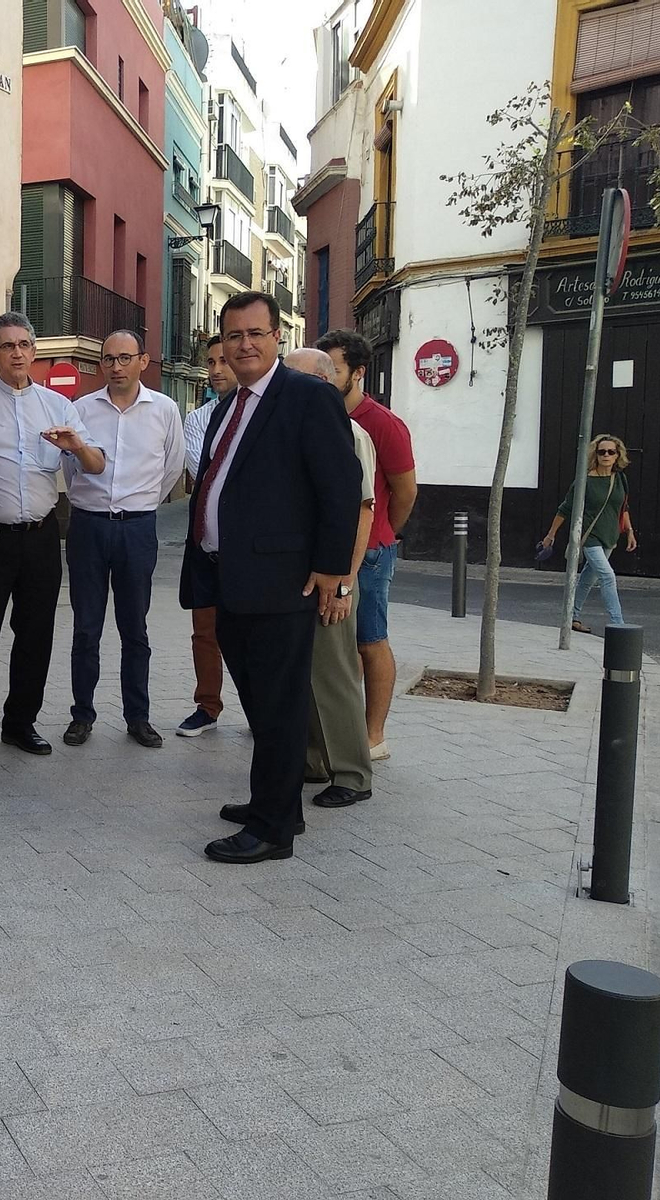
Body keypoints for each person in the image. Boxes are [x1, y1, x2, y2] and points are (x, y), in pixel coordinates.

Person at [181, 292, 360, 865]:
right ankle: (279, 800)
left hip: (283, 582)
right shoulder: (229, 404)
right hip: (228, 578)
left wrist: (333, 568)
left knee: (278, 706)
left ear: (277, 336)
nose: (244, 345)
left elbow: (339, 486)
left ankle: (272, 830)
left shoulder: (306, 396)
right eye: (234, 336)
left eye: (255, 333)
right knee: (261, 702)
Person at [0, 312, 106, 762]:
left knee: (36, 633)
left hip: (41, 536)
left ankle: (21, 723)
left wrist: (75, 445)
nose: (17, 352)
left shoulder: (58, 407)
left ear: (34, 351)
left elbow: (95, 465)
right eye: (7, 345)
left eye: (24, 344)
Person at [63, 331, 185, 749]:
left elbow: (171, 468)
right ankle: (82, 715)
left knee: (135, 629)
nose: (116, 367)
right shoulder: (80, 410)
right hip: (89, 527)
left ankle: (138, 717)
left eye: (124, 358)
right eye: (109, 359)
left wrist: (142, 502)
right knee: (86, 628)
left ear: (143, 361)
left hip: (137, 528)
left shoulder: (165, 410)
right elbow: (71, 469)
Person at [316, 329, 416, 762]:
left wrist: (380, 539)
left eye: (331, 370)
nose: (322, 378)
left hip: (370, 553)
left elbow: (405, 491)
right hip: (329, 549)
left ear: (357, 373)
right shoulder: (318, 415)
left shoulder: (382, 424)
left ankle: (374, 735)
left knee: (370, 641)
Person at [286, 348, 377, 811]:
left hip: (333, 575)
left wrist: (343, 583)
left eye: (297, 378)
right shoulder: (303, 426)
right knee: (306, 672)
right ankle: (316, 761)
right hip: (302, 574)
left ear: (323, 383)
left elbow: (361, 510)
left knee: (335, 675)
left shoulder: (350, 432)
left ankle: (353, 772)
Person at [176, 335, 235, 738]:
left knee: (252, 633)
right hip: (207, 544)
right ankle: (207, 705)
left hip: (250, 549)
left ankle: (259, 709)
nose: (215, 370)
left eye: (223, 361)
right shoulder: (199, 419)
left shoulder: (265, 412)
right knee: (205, 630)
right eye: (211, 362)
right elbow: (204, 468)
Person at [542, 433, 637, 634]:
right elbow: (565, 509)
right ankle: (618, 624)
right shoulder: (584, 481)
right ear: (596, 454)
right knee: (607, 575)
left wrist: (629, 531)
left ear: (617, 455)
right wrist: (551, 535)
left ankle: (572, 616)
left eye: (611, 452)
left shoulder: (620, 479)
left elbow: (623, 508)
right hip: (589, 536)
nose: (606, 455)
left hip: (610, 535)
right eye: (602, 451)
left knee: (588, 578)